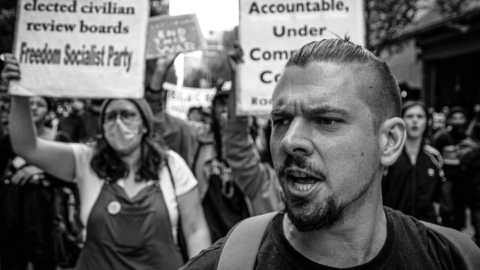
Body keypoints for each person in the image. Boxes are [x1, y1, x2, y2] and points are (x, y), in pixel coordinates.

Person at [182, 38, 479, 269]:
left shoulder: (456, 258)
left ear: (389, 141)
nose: (290, 140)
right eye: (281, 121)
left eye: (326, 120)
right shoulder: (227, 264)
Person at [1, 54, 211, 269]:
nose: (118, 123)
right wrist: (20, 92)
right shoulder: (85, 160)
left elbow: (196, 230)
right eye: (110, 117)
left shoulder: (171, 164)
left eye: (127, 115)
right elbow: (26, 146)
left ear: (145, 125)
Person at [0, 95, 70, 270]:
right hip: (13, 216)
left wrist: (40, 171)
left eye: (40, 104)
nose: (34, 108)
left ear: (48, 110)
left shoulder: (60, 140)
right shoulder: (8, 140)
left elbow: (70, 176)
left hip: (47, 215)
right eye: (29, 104)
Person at [382, 101, 444, 224]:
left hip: (426, 227)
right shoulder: (387, 154)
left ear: (427, 121)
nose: (415, 120)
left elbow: (438, 196)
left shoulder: (434, 157)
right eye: (409, 116)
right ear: (401, 121)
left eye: (420, 116)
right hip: (394, 227)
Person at [432, 106, 469, 228]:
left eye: (461, 118)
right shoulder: (442, 138)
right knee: (447, 209)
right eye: (455, 118)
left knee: (460, 209)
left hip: (463, 181)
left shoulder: (469, 139)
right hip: (447, 180)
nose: (458, 121)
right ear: (450, 120)